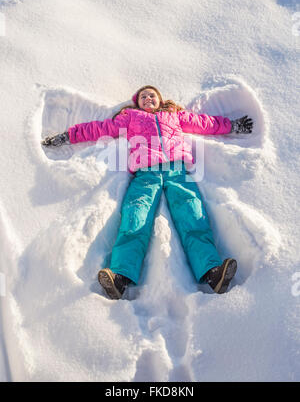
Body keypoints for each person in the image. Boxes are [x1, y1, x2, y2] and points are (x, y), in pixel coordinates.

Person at [42, 85, 253, 299]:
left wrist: (232, 126)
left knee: (192, 214)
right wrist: (67, 136)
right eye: (143, 96)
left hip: (177, 171)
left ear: (160, 99)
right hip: (146, 174)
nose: (147, 98)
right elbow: (99, 128)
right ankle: (120, 276)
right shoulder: (130, 117)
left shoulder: (173, 115)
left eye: (152, 95)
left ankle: (212, 273)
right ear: (137, 102)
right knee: (135, 218)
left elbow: (204, 123)